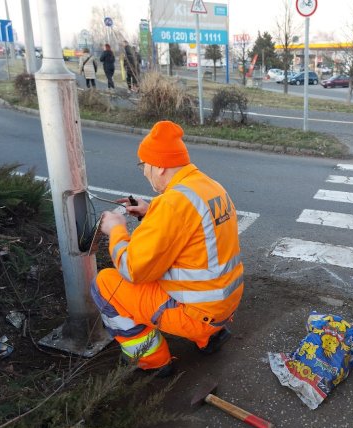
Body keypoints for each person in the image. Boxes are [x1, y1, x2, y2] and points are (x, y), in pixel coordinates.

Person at [91, 121, 244, 377]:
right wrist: (150, 211)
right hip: (224, 303)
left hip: (196, 313)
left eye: (144, 165)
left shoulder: (172, 204)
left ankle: (154, 362)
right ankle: (211, 338)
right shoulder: (209, 186)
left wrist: (116, 229)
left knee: (105, 283)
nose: (143, 172)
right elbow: (196, 231)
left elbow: (133, 269)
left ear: (159, 166)